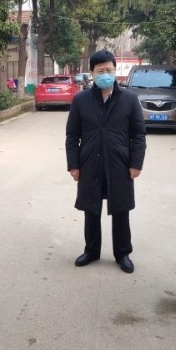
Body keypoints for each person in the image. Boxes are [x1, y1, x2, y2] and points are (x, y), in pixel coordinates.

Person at [65, 50, 146, 273]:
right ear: (92, 73)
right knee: (91, 209)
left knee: (121, 209)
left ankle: (123, 253)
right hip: (89, 163)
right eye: (100, 71)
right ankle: (91, 250)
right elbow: (72, 136)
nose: (105, 74)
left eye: (109, 70)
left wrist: (136, 163)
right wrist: (73, 165)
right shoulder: (81, 100)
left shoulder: (129, 99)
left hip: (120, 164)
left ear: (115, 70)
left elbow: (138, 135)